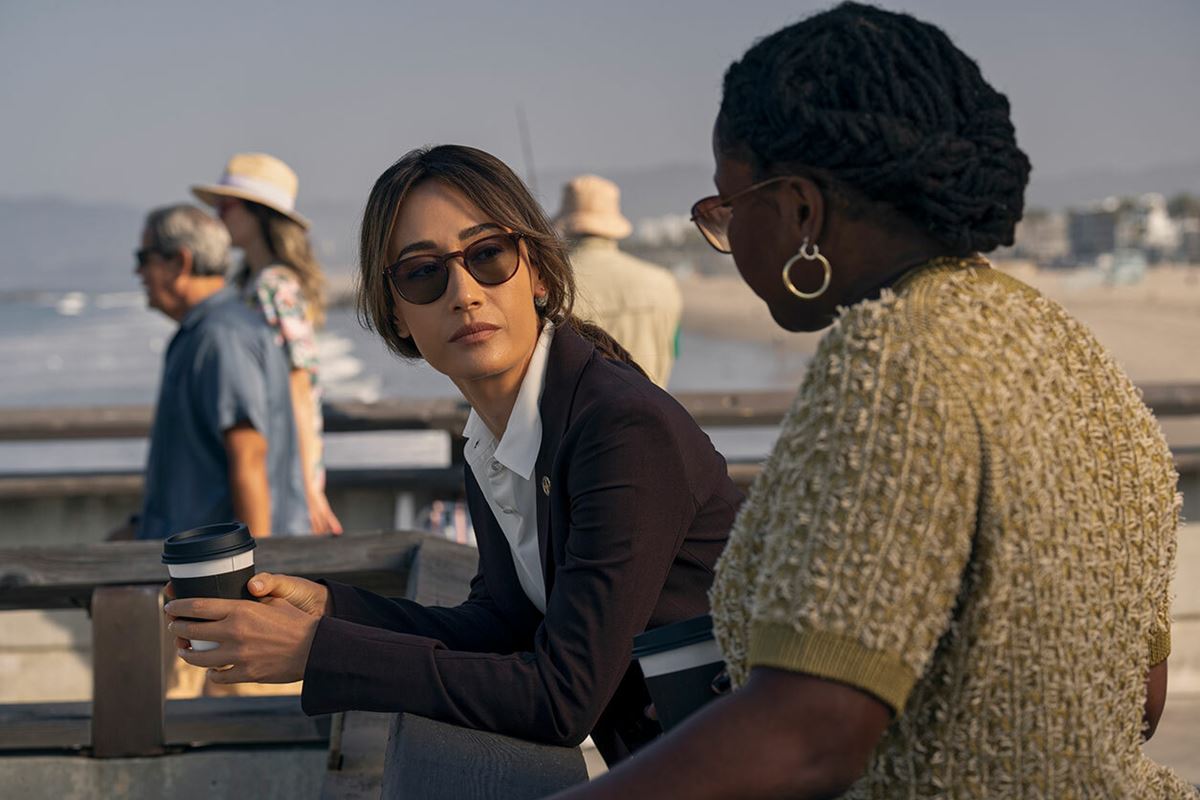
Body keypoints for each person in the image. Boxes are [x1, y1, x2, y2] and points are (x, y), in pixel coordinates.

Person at [551, 4, 1192, 798]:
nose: (727, 237)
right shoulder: (1075, 356)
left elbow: (811, 734)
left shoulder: (895, 358)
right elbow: (1139, 699)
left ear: (800, 211)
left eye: (727, 208)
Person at [164, 145, 743, 765]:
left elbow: (563, 698)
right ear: (397, 313)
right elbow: (500, 626)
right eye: (423, 272)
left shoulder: (621, 428)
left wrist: (318, 651)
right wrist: (333, 610)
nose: (464, 293)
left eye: (488, 255)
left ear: (539, 273)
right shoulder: (495, 438)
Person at [134, 204, 308, 540]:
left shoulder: (220, 337)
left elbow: (249, 455)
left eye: (144, 258)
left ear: (180, 262)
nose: (137, 271)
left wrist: (250, 567)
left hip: (213, 561)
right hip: (200, 556)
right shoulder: (211, 330)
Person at [193, 152, 342, 535]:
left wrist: (308, 488)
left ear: (258, 213)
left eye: (226, 206)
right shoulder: (250, 284)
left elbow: (298, 385)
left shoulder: (274, 287)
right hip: (271, 461)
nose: (217, 216)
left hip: (282, 468)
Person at [553, 175, 682, 388]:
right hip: (654, 406)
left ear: (566, 222)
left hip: (581, 410)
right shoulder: (663, 283)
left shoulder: (551, 285)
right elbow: (673, 349)